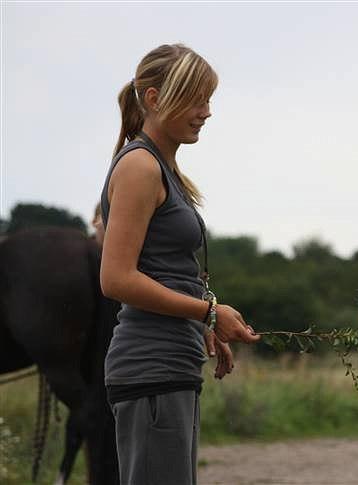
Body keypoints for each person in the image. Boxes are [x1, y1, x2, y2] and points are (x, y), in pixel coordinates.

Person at [99, 43, 260, 485]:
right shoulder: (139, 167)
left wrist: (203, 327)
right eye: (195, 98)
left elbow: (165, 269)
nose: (206, 111)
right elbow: (116, 279)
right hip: (151, 368)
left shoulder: (163, 168)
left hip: (173, 363)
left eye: (208, 99)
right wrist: (208, 312)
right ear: (153, 99)